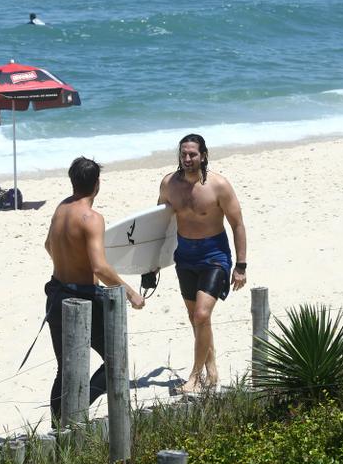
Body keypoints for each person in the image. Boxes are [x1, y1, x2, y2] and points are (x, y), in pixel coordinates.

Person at [44, 156, 145, 425]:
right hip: (84, 298)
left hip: (56, 294)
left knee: (64, 369)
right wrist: (131, 293)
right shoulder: (91, 218)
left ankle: (58, 424)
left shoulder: (61, 209)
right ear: (97, 184)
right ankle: (76, 411)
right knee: (115, 361)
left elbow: (47, 246)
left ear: (72, 180)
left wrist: (68, 261)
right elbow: (99, 267)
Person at [158, 134, 247, 394]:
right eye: (183, 154)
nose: (187, 159)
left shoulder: (218, 185)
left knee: (201, 315)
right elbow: (158, 226)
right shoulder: (168, 184)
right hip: (184, 256)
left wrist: (241, 266)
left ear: (203, 155)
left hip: (214, 256)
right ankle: (211, 367)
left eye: (192, 154)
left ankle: (194, 377)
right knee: (195, 317)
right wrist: (152, 265)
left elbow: (237, 224)